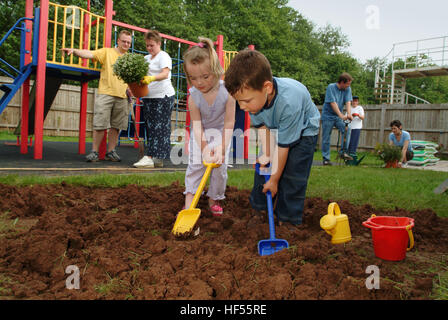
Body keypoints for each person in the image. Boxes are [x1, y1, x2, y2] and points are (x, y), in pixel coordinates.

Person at [224, 49, 320, 226]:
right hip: (278, 125)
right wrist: (267, 155)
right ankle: (260, 210)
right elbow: (262, 128)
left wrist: (274, 180)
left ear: (267, 88)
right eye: (238, 101)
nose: (242, 107)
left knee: (293, 174)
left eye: (245, 101)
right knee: (264, 165)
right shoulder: (253, 101)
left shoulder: (289, 102)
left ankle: (289, 218)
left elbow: (284, 147)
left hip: (305, 130)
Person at [182, 37, 236, 216]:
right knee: (196, 165)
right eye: (193, 78)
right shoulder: (193, 96)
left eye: (205, 76)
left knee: (219, 168)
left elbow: (229, 122)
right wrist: (204, 147)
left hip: (221, 134)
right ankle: (190, 201)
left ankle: (214, 198)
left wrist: (221, 148)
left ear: (216, 70)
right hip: (200, 136)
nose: (199, 82)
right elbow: (196, 125)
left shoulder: (227, 93)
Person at [62, 30, 132, 162]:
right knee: (100, 124)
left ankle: (111, 152)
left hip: (122, 95)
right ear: (118, 41)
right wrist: (75, 51)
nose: (126, 44)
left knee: (116, 126)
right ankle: (94, 152)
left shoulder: (129, 58)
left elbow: (132, 77)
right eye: (124, 41)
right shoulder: (107, 52)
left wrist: (131, 88)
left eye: (129, 42)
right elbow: (89, 53)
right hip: (106, 93)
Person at [133, 30, 176, 168]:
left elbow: (164, 73)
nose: (149, 48)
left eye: (152, 45)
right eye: (147, 45)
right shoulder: (146, 59)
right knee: (151, 127)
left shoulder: (163, 56)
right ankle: (157, 158)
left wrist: (152, 77)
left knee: (160, 127)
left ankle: (150, 156)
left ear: (159, 43)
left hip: (163, 96)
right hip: (149, 97)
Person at [320, 72, 354, 165]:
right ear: (342, 82)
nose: (348, 86)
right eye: (347, 84)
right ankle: (326, 159)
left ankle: (343, 152)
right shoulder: (331, 87)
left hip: (338, 116)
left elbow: (348, 101)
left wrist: (349, 114)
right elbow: (333, 103)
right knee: (326, 137)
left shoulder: (347, 89)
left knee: (347, 130)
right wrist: (342, 116)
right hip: (328, 116)